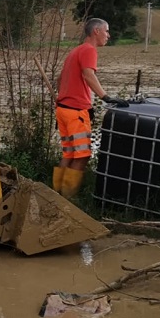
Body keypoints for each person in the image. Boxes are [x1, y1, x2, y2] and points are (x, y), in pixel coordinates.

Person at [53, 18, 128, 198]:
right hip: (76, 112)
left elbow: (59, 79)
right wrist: (106, 97)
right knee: (82, 156)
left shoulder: (75, 51)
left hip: (63, 110)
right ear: (96, 31)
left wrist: (67, 93)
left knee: (69, 153)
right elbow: (88, 75)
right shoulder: (89, 50)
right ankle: (68, 199)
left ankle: (54, 196)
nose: (108, 35)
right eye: (106, 31)